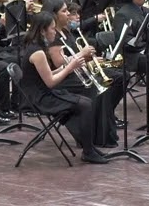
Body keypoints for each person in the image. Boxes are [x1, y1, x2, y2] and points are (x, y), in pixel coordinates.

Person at [20, 11, 107, 164]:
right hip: (41, 98)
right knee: (85, 104)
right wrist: (70, 67)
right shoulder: (38, 52)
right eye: (52, 29)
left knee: (84, 101)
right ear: (42, 31)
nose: (55, 32)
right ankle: (88, 150)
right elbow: (50, 82)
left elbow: (47, 74)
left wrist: (65, 66)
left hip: (41, 91)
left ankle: (89, 146)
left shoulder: (36, 47)